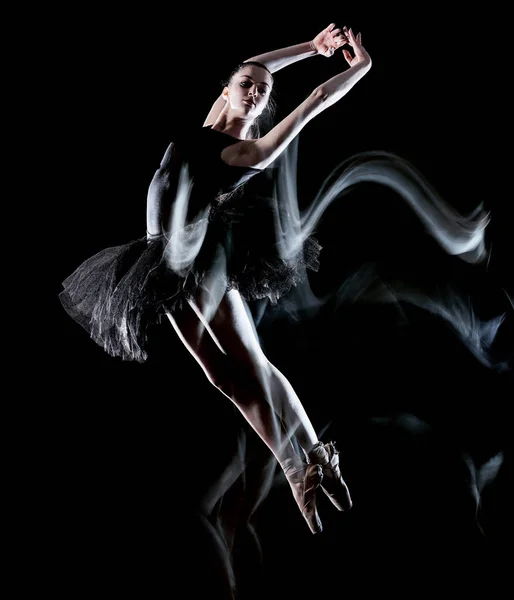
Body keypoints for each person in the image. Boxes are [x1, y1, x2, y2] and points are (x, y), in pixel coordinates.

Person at [59, 23, 372, 535]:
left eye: (263, 93)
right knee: (223, 378)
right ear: (226, 90)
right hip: (159, 264)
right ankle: (299, 470)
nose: (254, 91)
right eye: (246, 84)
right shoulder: (208, 126)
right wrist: (311, 48)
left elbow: (314, 98)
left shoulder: (247, 152)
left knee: (250, 362)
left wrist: (355, 69)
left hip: (201, 264)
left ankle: (316, 454)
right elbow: (256, 62)